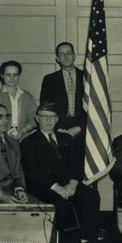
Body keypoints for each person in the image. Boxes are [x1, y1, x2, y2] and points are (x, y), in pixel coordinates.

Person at [20, 102, 100, 243]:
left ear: (57, 119)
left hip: (68, 185)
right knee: (60, 205)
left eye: (52, 117)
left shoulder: (66, 138)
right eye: (44, 117)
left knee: (91, 195)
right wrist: (57, 188)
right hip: (45, 187)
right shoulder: (28, 143)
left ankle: (87, 240)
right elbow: (33, 173)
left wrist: (73, 184)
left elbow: (76, 165)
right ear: (37, 119)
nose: (48, 120)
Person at [39, 42, 86, 174]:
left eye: (69, 53)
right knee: (62, 172)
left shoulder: (87, 78)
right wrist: (59, 129)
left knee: (83, 173)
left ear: (74, 55)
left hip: (83, 132)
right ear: (57, 59)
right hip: (58, 132)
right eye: (62, 54)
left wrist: (79, 127)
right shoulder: (49, 80)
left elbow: (93, 108)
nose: (66, 57)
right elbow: (46, 109)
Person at [0, 60, 37, 140]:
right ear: (2, 75)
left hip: (24, 137)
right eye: (8, 75)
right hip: (1, 138)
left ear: (19, 76)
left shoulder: (28, 97)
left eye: (15, 75)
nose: (12, 78)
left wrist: (23, 131)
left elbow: (34, 118)